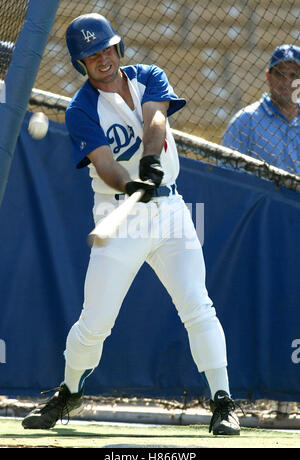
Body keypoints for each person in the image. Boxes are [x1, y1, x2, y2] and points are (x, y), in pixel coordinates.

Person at [22, 13, 240, 436]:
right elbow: (105, 166)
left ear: (117, 47)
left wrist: (152, 162)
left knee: (198, 305)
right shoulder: (81, 108)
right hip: (118, 216)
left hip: (171, 211)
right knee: (95, 321)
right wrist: (131, 180)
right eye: (91, 55)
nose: (102, 59)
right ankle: (69, 391)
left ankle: (222, 400)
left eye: (106, 49)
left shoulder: (148, 76)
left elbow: (155, 120)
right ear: (80, 63)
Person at [222, 44, 300, 175]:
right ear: (269, 77)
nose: (287, 81)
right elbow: (226, 174)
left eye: (293, 75)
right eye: (280, 74)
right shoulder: (245, 121)